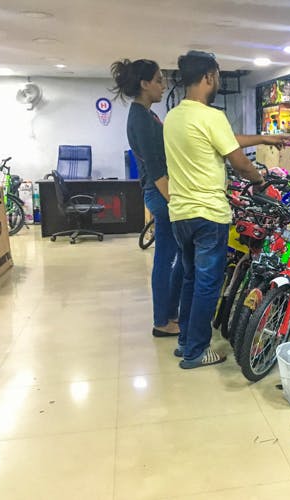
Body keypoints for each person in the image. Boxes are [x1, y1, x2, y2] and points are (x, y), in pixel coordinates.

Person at [163, 50, 289, 369]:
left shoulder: (175, 117)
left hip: (181, 213)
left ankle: (185, 342)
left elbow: (226, 139)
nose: (217, 81)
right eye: (217, 75)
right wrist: (261, 181)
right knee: (208, 285)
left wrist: (264, 136)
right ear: (209, 76)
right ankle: (195, 351)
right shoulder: (211, 116)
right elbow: (240, 162)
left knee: (192, 279)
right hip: (209, 214)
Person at [111, 58, 183, 338]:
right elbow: (155, 169)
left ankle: (169, 314)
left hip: (160, 193)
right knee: (166, 258)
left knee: (172, 257)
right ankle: (162, 321)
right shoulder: (140, 118)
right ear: (144, 84)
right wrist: (175, 203)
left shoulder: (146, 114)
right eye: (158, 80)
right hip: (160, 193)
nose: (163, 86)